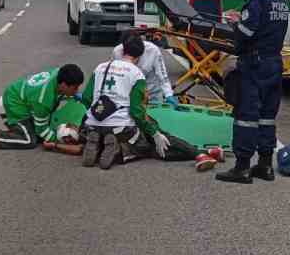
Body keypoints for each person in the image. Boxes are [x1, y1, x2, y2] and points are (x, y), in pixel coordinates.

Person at [80, 38, 223, 170]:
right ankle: (120, 150)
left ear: (122, 50)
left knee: (148, 140)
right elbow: (137, 112)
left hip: (92, 123)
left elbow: (87, 98)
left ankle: (99, 139)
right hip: (121, 127)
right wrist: (154, 132)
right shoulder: (136, 73)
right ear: (140, 56)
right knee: (153, 147)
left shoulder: (100, 67)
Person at [215, 0, 289, 184]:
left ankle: (242, 167)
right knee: (267, 116)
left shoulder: (256, 1)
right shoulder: (279, 1)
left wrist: (234, 22)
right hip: (274, 63)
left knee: (246, 116)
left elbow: (245, 35)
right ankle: (265, 165)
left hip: (254, 65)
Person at [0, 64, 84, 149]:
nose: (76, 90)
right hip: (14, 105)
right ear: (63, 84)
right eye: (74, 88)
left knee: (38, 134)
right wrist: (58, 142)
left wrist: (76, 96)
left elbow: (60, 95)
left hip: (24, 98)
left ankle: (18, 130)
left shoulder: (59, 73)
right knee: (29, 141)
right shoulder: (43, 100)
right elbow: (41, 129)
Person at [113, 30, 178, 106]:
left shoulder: (153, 51)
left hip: (152, 94)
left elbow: (162, 75)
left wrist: (168, 94)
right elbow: (115, 75)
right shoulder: (117, 52)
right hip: (129, 94)